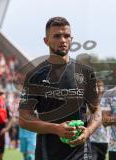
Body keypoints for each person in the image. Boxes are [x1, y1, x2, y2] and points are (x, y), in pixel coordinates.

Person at [18, 16, 101, 160]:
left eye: (66, 36)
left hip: (82, 153)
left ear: (71, 39)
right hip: (48, 154)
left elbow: (97, 111)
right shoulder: (34, 76)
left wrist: (88, 132)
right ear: (46, 41)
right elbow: (24, 120)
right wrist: (56, 129)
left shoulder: (86, 73)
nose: (63, 40)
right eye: (57, 36)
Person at [90, 80, 109, 160]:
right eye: (96, 86)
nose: (99, 88)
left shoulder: (107, 101)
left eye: (100, 86)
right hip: (91, 139)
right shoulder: (89, 101)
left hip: (104, 139)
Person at [0, 91, 16, 160]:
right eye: (0, 98)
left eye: (3, 99)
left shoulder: (5, 106)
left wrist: (6, 128)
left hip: (1, 134)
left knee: (0, 156)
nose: (2, 100)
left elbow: (12, 119)